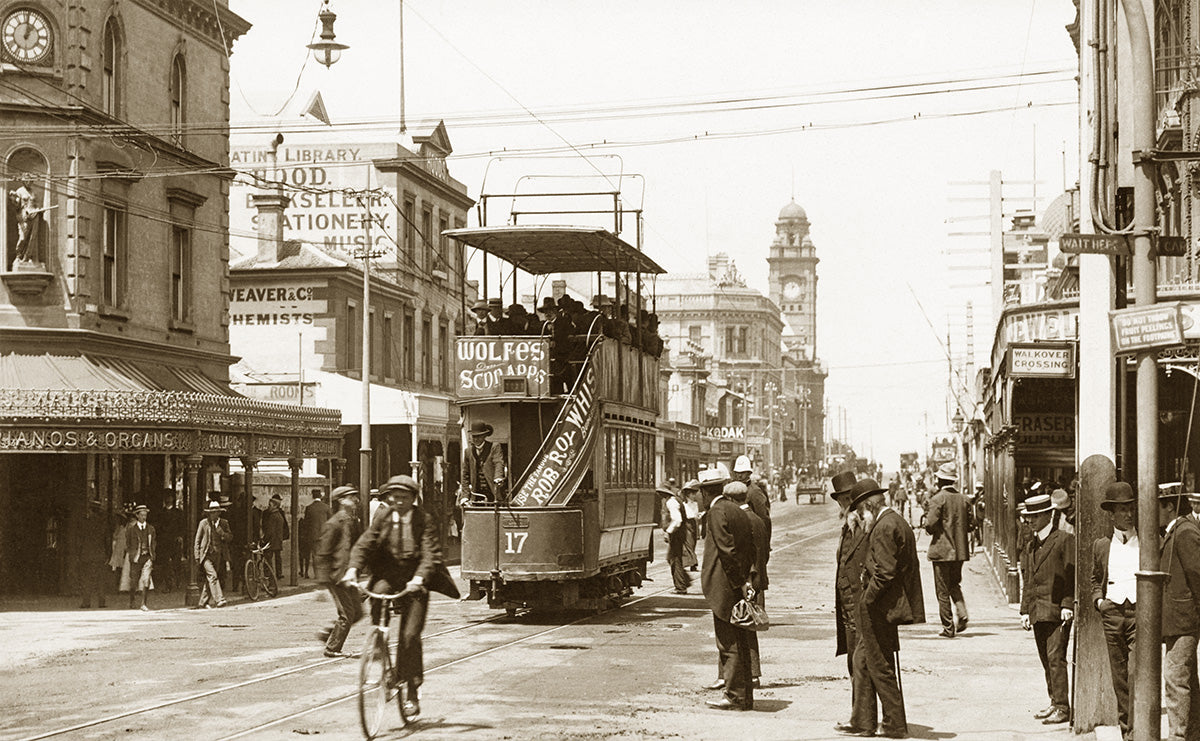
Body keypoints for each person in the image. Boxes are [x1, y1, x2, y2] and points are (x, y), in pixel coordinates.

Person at [343, 475, 460, 719]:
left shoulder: (424, 520)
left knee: (409, 636)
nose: (398, 502)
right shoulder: (384, 517)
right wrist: (353, 569)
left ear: (413, 499)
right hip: (389, 575)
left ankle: (412, 692)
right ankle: (380, 640)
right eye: (393, 497)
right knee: (378, 594)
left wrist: (419, 579)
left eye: (403, 498)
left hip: (416, 581)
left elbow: (431, 554)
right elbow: (365, 544)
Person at [846, 478, 924, 739]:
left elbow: (885, 572)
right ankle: (864, 722)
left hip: (880, 607)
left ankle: (894, 725)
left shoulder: (883, 527)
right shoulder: (894, 520)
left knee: (879, 666)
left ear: (869, 506)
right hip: (886, 605)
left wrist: (867, 600)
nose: (860, 517)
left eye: (860, 512)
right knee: (864, 661)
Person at [697, 466, 757, 711]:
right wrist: (746, 580)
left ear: (704, 492)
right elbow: (749, 549)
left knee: (728, 644)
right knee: (740, 641)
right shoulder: (737, 510)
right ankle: (745, 696)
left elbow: (726, 551)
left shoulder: (717, 512)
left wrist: (737, 583)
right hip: (737, 583)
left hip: (725, 587)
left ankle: (733, 695)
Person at [1018, 493, 1074, 726]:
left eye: (1034, 516)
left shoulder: (1063, 540)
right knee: (1045, 659)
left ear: (1048, 515)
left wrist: (1067, 605)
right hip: (1038, 611)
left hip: (1057, 611)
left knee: (1055, 658)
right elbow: (1028, 579)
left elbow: (1071, 576)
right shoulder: (1031, 545)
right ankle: (1054, 701)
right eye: (1028, 517)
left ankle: (1063, 707)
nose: (1029, 521)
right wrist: (1024, 611)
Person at [1091, 481, 1137, 741]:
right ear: (1112, 514)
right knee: (1119, 677)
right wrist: (1100, 601)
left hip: (1139, 614)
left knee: (1135, 673)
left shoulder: (1148, 541)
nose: (1128, 514)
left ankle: (1138, 729)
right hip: (1112, 614)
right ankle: (1126, 732)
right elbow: (1095, 578)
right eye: (1122, 510)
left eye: (1130, 508)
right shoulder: (1102, 545)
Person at [1159, 485, 1200, 741]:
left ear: (1170, 506)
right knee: (1187, 680)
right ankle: (1192, 733)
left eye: (1158, 506)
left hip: (1184, 620)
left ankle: (1178, 736)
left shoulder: (1183, 532)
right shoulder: (1178, 530)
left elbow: (1197, 575)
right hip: (1180, 620)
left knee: (1175, 679)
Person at [829, 471, 866, 731]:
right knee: (855, 661)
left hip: (858, 604)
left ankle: (861, 718)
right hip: (847, 604)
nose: (844, 504)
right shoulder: (849, 525)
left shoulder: (862, 525)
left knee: (860, 662)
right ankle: (860, 716)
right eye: (842, 500)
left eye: (846, 499)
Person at [924, 461, 971, 637]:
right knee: (954, 584)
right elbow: (971, 524)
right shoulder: (965, 499)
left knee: (942, 590)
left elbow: (930, 525)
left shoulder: (937, 499)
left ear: (941, 481)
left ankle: (948, 627)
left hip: (942, 551)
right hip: (960, 551)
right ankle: (962, 613)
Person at [729, 480, 768, 689]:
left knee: (745, 625)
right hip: (758, 578)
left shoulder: (742, 520)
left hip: (748, 581)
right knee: (750, 625)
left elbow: (747, 554)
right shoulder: (758, 519)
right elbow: (764, 550)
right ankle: (752, 673)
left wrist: (747, 581)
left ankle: (750, 674)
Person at [315, 485, 363, 657]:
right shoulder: (333, 524)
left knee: (358, 612)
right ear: (341, 501)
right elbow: (323, 553)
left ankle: (327, 634)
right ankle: (332, 648)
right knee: (348, 613)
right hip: (336, 575)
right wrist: (322, 584)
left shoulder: (352, 521)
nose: (356, 500)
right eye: (351, 497)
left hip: (349, 574)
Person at [194, 500, 231, 609]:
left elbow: (230, 537)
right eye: (211, 512)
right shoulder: (203, 523)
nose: (213, 514)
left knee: (210, 579)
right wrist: (197, 555)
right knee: (213, 575)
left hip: (218, 555)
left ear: (219, 513)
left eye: (215, 512)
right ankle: (219, 599)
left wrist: (222, 534)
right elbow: (197, 539)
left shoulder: (224, 523)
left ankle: (203, 602)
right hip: (206, 555)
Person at [461, 421, 506, 503]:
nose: (476, 439)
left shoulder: (494, 447)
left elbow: (498, 462)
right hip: (476, 495)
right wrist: (465, 496)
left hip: (493, 493)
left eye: (479, 436)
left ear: (484, 436)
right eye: (474, 436)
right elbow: (465, 475)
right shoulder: (468, 452)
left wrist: (498, 477)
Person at [124, 503, 156, 611]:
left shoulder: (151, 529)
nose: (144, 517)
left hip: (147, 557)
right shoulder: (131, 529)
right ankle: (132, 600)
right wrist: (132, 555)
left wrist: (152, 555)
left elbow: (153, 543)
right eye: (142, 515)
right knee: (134, 581)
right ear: (137, 515)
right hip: (136, 558)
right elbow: (128, 543)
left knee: (146, 579)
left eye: (145, 515)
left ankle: (143, 603)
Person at [77, 499, 109, 609]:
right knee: (101, 579)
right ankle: (102, 601)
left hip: (86, 555)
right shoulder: (103, 523)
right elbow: (107, 540)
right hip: (100, 555)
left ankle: (86, 602)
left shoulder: (84, 523)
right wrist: (108, 554)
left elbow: (80, 540)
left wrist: (79, 553)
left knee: (87, 579)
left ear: (90, 510)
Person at [662, 484, 692, 594]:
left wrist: (668, 532)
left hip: (676, 534)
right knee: (673, 558)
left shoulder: (671, 502)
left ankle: (681, 586)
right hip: (679, 534)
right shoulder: (675, 500)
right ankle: (684, 581)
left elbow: (677, 520)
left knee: (674, 559)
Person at [156, 490, 185, 593]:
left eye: (170, 497)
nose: (168, 499)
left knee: (176, 562)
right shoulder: (160, 513)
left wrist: (180, 536)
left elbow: (182, 525)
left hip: (175, 540)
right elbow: (158, 527)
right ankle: (168, 584)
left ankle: (178, 581)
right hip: (164, 541)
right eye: (166, 498)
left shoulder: (178, 513)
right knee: (165, 563)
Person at [302, 490, 332, 580]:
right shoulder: (327, 507)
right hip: (325, 535)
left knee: (315, 555)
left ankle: (317, 574)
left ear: (312, 496)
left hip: (313, 535)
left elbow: (306, 523)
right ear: (321, 496)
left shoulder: (309, 508)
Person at [261, 493, 290, 578]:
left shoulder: (274, 514)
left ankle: (271, 577)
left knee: (268, 560)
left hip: (271, 540)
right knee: (275, 557)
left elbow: (270, 529)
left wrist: (264, 539)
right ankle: (276, 575)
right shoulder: (277, 513)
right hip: (276, 539)